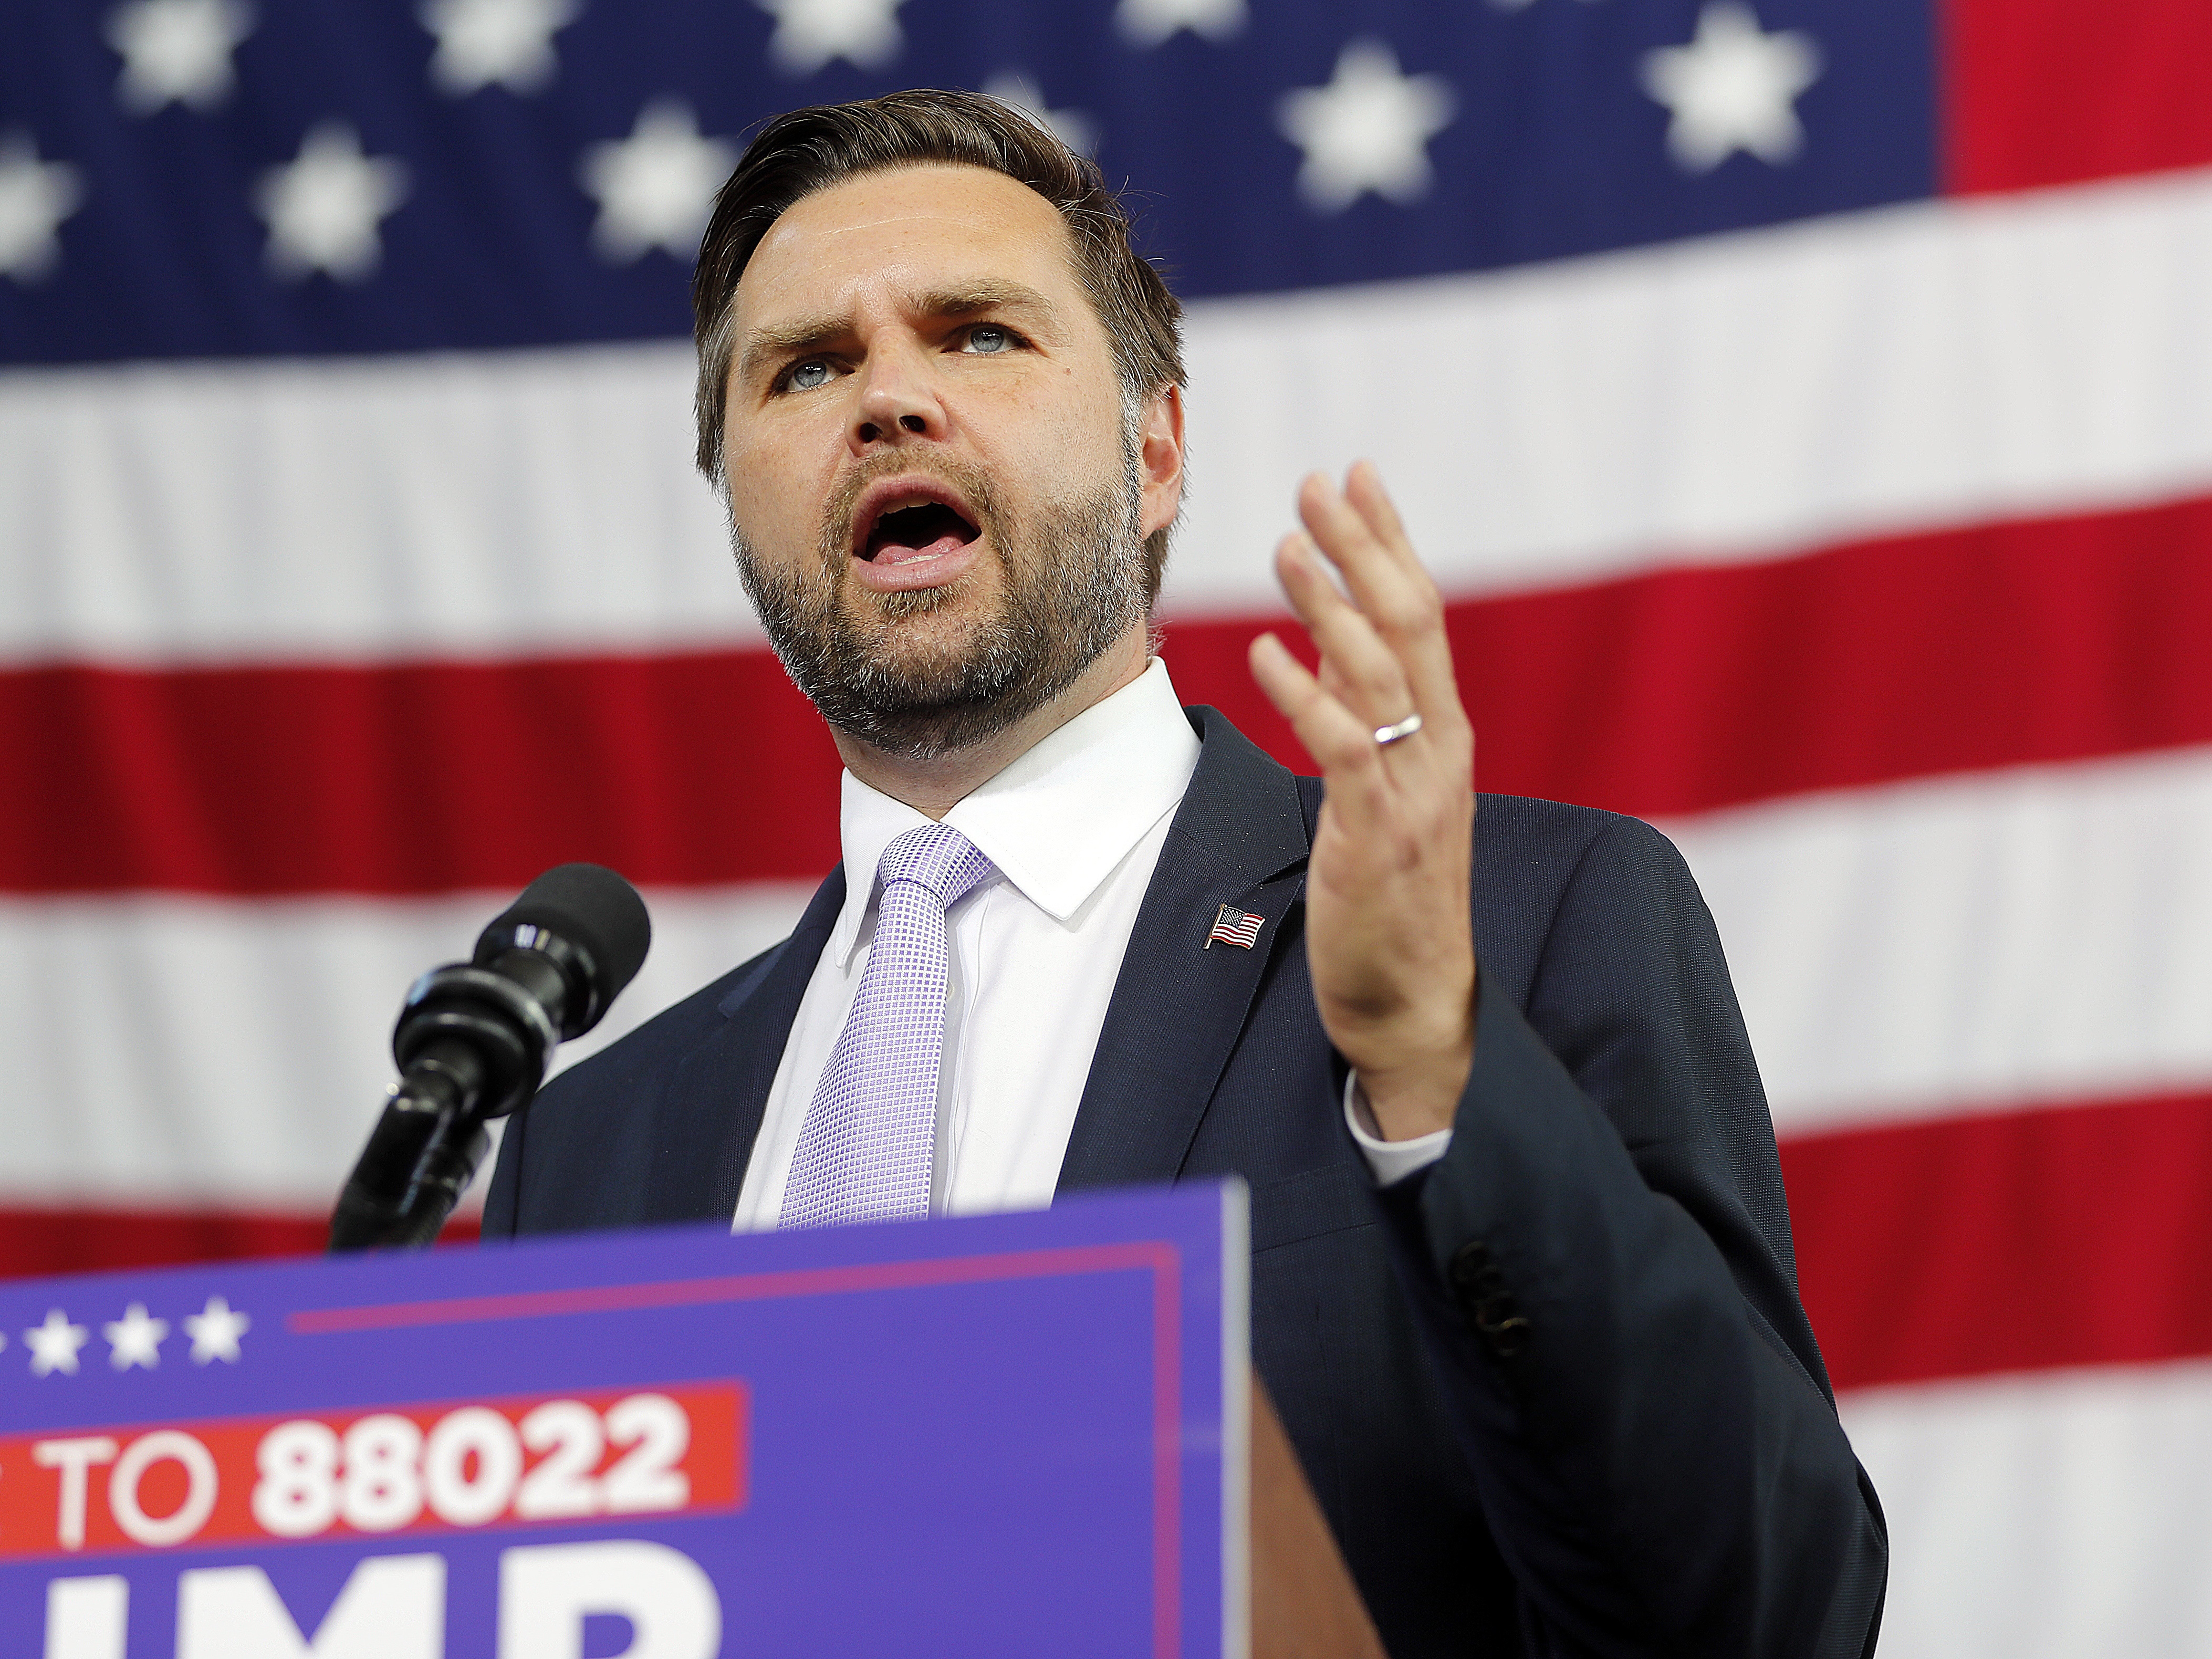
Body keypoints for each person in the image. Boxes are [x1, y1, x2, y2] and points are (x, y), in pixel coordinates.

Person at [485, 89, 1886, 1657]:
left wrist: (1437, 1080)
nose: (885, 398)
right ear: (736, 498)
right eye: (804, 368)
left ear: (1154, 451)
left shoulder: (1521, 930)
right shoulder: (587, 1153)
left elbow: (1768, 1608)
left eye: (977, 336)